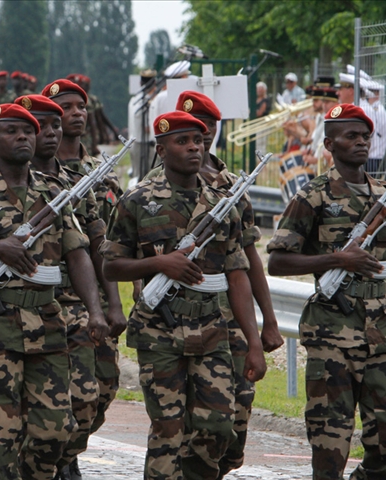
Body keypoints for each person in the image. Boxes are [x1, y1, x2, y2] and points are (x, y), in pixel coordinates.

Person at [0, 103, 108, 479]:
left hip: (47, 323)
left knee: (53, 432)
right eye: (13, 131)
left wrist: (95, 310)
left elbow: (77, 254)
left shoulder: (54, 191)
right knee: (1, 437)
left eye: (28, 132)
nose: (24, 138)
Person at [101, 111, 265, 480]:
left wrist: (253, 341)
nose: (194, 147)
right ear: (161, 150)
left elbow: (237, 275)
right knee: (168, 429)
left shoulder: (223, 203)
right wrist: (160, 264)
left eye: (198, 140)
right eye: (182, 141)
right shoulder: (137, 200)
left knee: (217, 428)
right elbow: (111, 266)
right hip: (160, 331)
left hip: (212, 328)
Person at [267, 103, 386, 480]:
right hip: (331, 333)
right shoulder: (313, 196)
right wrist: (337, 259)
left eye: (365, 136)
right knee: (330, 444)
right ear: (330, 144)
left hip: (380, 333)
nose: (360, 142)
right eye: (351, 136)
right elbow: (277, 261)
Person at [153, 91, 281, 478]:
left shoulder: (232, 188)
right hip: (171, 318)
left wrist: (268, 322)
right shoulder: (153, 186)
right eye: (191, 130)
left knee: (231, 423)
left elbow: (248, 258)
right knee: (177, 426)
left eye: (206, 129)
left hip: (230, 316)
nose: (199, 137)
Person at [17, 94, 123, 480]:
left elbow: (98, 246)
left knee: (96, 392)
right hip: (19, 305)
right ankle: (43, 461)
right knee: (30, 402)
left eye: (53, 126)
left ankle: (61, 454)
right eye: (39, 126)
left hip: (76, 301)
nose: (48, 133)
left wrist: (111, 306)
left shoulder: (75, 183)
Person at [255, 82, 271, 154]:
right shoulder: (255, 99)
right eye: (258, 89)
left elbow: (260, 113)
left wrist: (252, 112)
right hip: (256, 124)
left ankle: (261, 162)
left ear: (265, 90)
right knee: (257, 145)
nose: (259, 91)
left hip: (263, 124)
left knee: (261, 144)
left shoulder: (265, 100)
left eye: (261, 89)